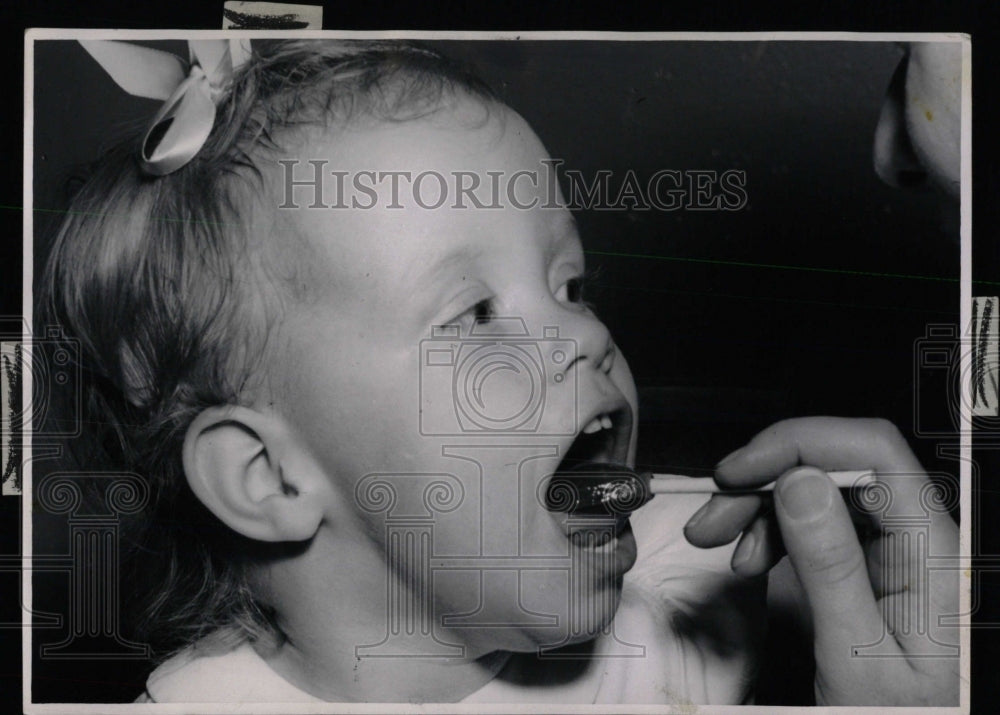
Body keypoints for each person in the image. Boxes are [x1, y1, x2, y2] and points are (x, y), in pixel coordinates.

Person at [38, 38, 958, 705]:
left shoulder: (706, 591)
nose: (584, 334)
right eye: (474, 314)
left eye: (571, 283)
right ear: (268, 475)